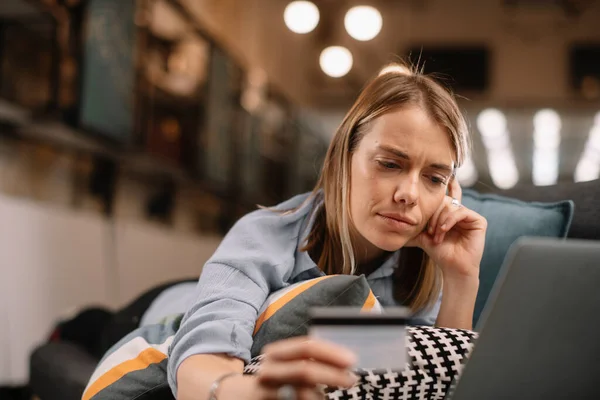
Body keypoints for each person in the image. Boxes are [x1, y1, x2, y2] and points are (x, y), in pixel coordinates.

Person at [168, 63, 487, 400]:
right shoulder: (262, 236)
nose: (409, 194)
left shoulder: (421, 265)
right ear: (342, 158)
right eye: (390, 164)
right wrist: (234, 390)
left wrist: (461, 278)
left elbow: (440, 377)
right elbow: (202, 359)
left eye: (434, 178)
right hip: (169, 308)